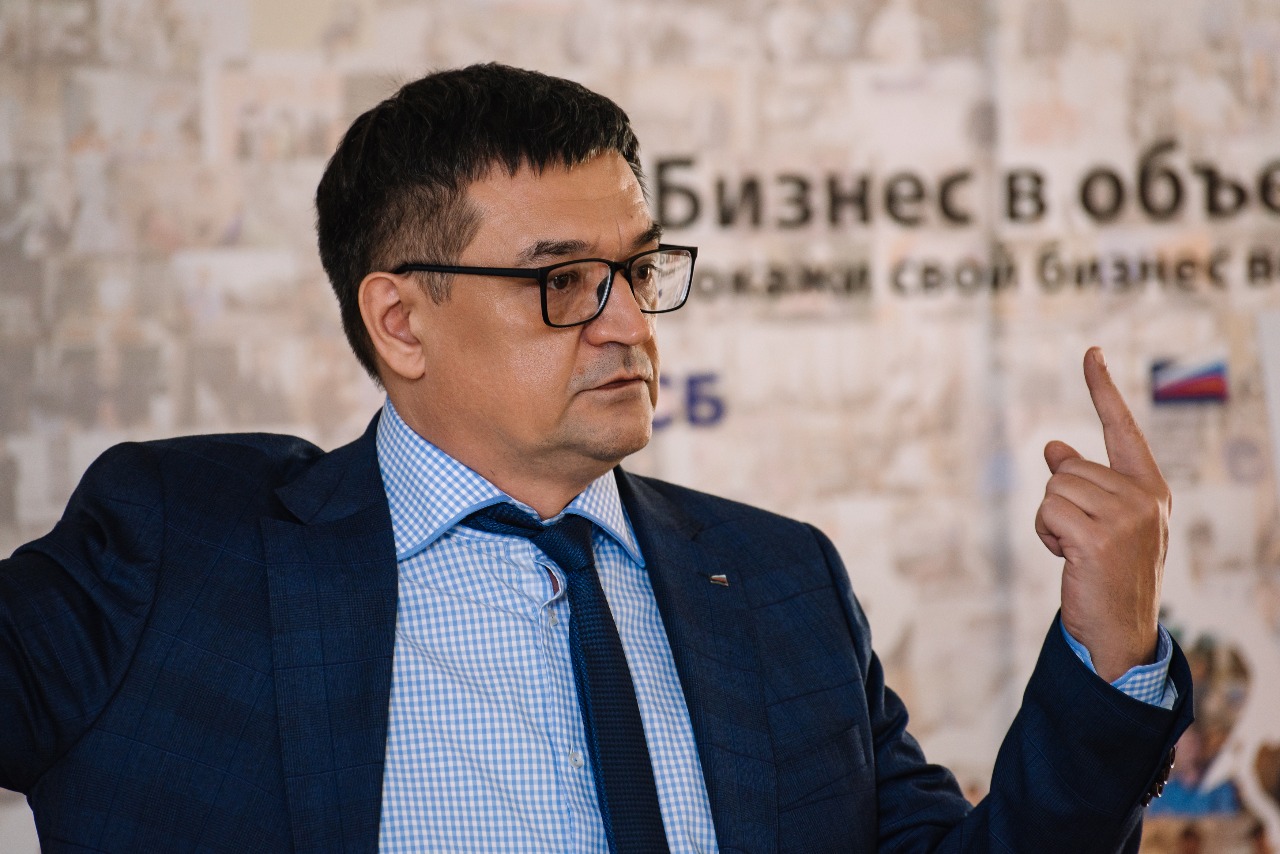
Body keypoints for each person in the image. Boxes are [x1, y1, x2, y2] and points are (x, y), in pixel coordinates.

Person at [0, 63, 1191, 853]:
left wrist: (1110, 651)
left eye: (637, 268)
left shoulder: (778, 580)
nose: (627, 321)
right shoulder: (177, 543)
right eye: (563, 280)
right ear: (400, 321)